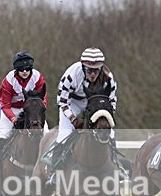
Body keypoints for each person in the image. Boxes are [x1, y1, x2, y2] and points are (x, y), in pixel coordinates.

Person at [45, 47, 127, 187]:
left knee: (110, 133)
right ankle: (54, 173)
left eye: (96, 70)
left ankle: (116, 166)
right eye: (89, 70)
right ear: (83, 66)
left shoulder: (108, 78)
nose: (93, 74)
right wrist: (73, 119)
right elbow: (62, 101)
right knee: (64, 135)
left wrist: (105, 118)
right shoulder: (71, 75)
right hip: (72, 102)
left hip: (95, 103)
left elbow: (112, 102)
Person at [0, 51, 47, 175]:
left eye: (28, 69)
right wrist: (13, 119)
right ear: (16, 70)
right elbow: (5, 104)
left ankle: (49, 167)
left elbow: (43, 100)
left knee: (46, 134)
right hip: (11, 109)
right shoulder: (8, 81)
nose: (25, 71)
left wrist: (38, 113)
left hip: (31, 109)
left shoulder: (38, 78)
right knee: (4, 134)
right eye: (22, 69)